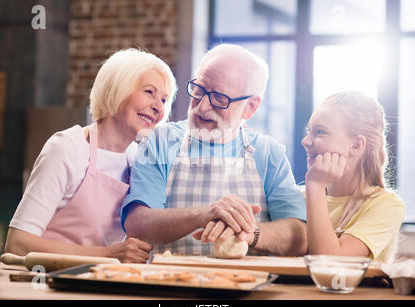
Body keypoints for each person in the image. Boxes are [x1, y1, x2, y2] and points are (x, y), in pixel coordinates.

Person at [121, 44, 307, 257]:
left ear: (250, 107)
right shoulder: (160, 143)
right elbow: (136, 225)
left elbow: (300, 237)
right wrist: (203, 214)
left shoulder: (268, 153)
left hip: (248, 286)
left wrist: (249, 232)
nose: (202, 107)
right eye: (199, 90)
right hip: (171, 285)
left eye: (219, 98)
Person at [5, 48, 177, 263]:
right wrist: (107, 255)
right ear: (118, 88)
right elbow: (17, 244)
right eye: (149, 92)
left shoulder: (138, 159)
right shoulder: (67, 148)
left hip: (101, 283)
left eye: (164, 100)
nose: (158, 108)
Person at [301, 91, 405, 263]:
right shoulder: (300, 198)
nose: (305, 140)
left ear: (356, 145)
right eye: (309, 131)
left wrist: (316, 186)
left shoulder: (387, 205)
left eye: (319, 132)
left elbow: (330, 263)